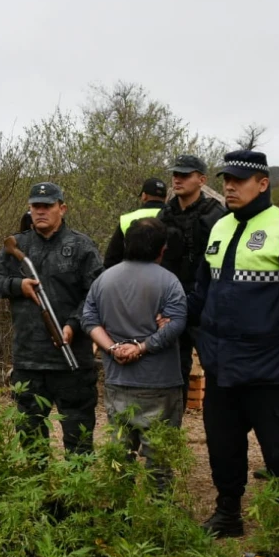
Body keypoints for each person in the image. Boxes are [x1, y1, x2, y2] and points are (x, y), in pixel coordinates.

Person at [189, 150, 279, 539]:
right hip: (222, 369)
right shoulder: (218, 227)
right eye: (226, 180)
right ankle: (228, 514)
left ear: (263, 184)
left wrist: (277, 333)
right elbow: (202, 290)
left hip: (271, 370)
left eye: (239, 180)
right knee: (223, 450)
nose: (230, 187)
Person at [0, 182, 103, 455]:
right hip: (29, 360)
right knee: (30, 435)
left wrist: (73, 324)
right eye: (36, 206)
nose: (41, 211)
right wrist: (18, 286)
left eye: (47, 206)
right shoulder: (17, 245)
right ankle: (40, 493)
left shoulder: (82, 246)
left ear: (62, 208)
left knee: (79, 436)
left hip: (73, 361)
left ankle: (77, 495)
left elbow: (96, 294)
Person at [82, 216, 187, 484]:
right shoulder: (170, 282)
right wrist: (141, 347)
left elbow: (89, 320)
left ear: (126, 243)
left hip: (119, 381)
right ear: (162, 249)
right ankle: (159, 515)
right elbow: (176, 325)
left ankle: (121, 515)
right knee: (159, 460)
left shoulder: (104, 280)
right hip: (160, 383)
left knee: (120, 455)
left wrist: (113, 348)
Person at [117, 155, 228, 400]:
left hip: (206, 302)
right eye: (175, 174)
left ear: (201, 179)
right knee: (172, 369)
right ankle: (170, 426)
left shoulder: (217, 216)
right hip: (170, 302)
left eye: (185, 175)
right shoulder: (164, 216)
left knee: (217, 367)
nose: (177, 179)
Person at [103, 178, 167, 268]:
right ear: (165, 198)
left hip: (132, 274)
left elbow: (112, 258)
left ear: (144, 196)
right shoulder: (172, 216)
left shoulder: (127, 218)